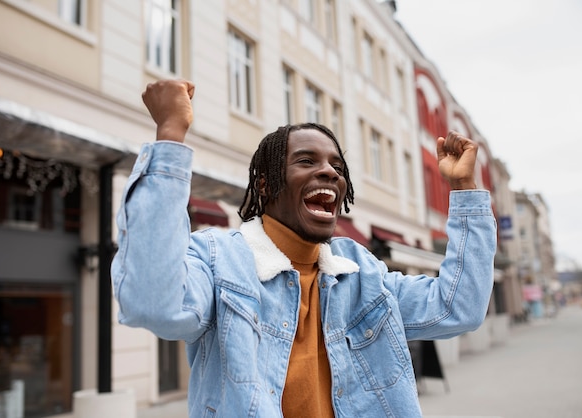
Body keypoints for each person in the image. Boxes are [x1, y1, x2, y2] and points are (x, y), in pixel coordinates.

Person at [111, 79, 496, 417]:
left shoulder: (359, 270)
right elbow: (152, 304)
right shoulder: (218, 260)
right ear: (265, 185)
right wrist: (170, 135)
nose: (329, 172)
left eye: (337, 166)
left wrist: (464, 190)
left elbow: (456, 308)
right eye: (306, 161)